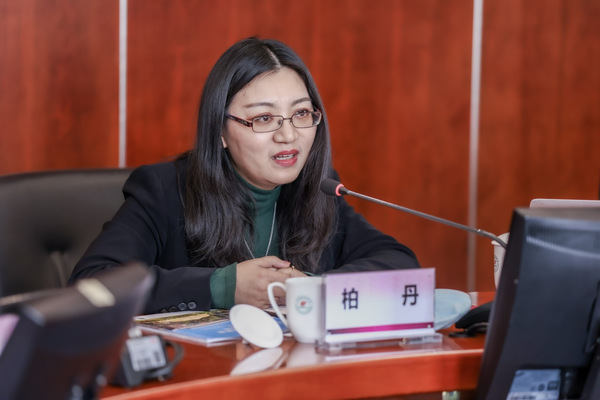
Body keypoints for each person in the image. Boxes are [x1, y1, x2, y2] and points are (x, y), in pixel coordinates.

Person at [69, 37, 420, 314]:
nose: (288, 135)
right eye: (263, 118)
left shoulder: (317, 187)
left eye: (301, 113)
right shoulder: (165, 190)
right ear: (220, 131)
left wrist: (313, 288)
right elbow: (91, 286)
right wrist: (222, 286)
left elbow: (399, 264)